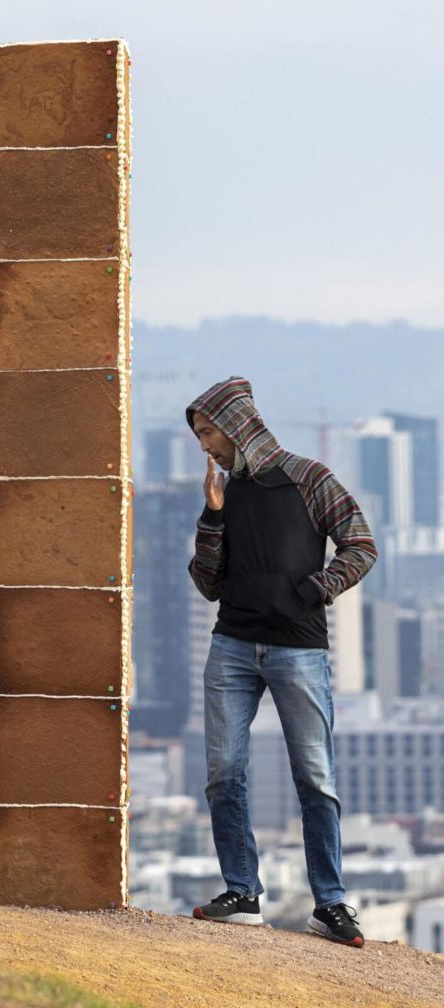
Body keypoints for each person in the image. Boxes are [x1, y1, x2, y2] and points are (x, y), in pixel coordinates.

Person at [186, 377, 377, 948]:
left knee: (315, 778)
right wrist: (212, 517)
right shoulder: (223, 490)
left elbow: (361, 544)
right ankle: (241, 894)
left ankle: (332, 904)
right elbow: (207, 583)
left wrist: (316, 589)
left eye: (208, 433)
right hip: (232, 647)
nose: (205, 447)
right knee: (224, 773)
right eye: (198, 437)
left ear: (236, 424)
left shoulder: (310, 478)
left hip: (299, 647)